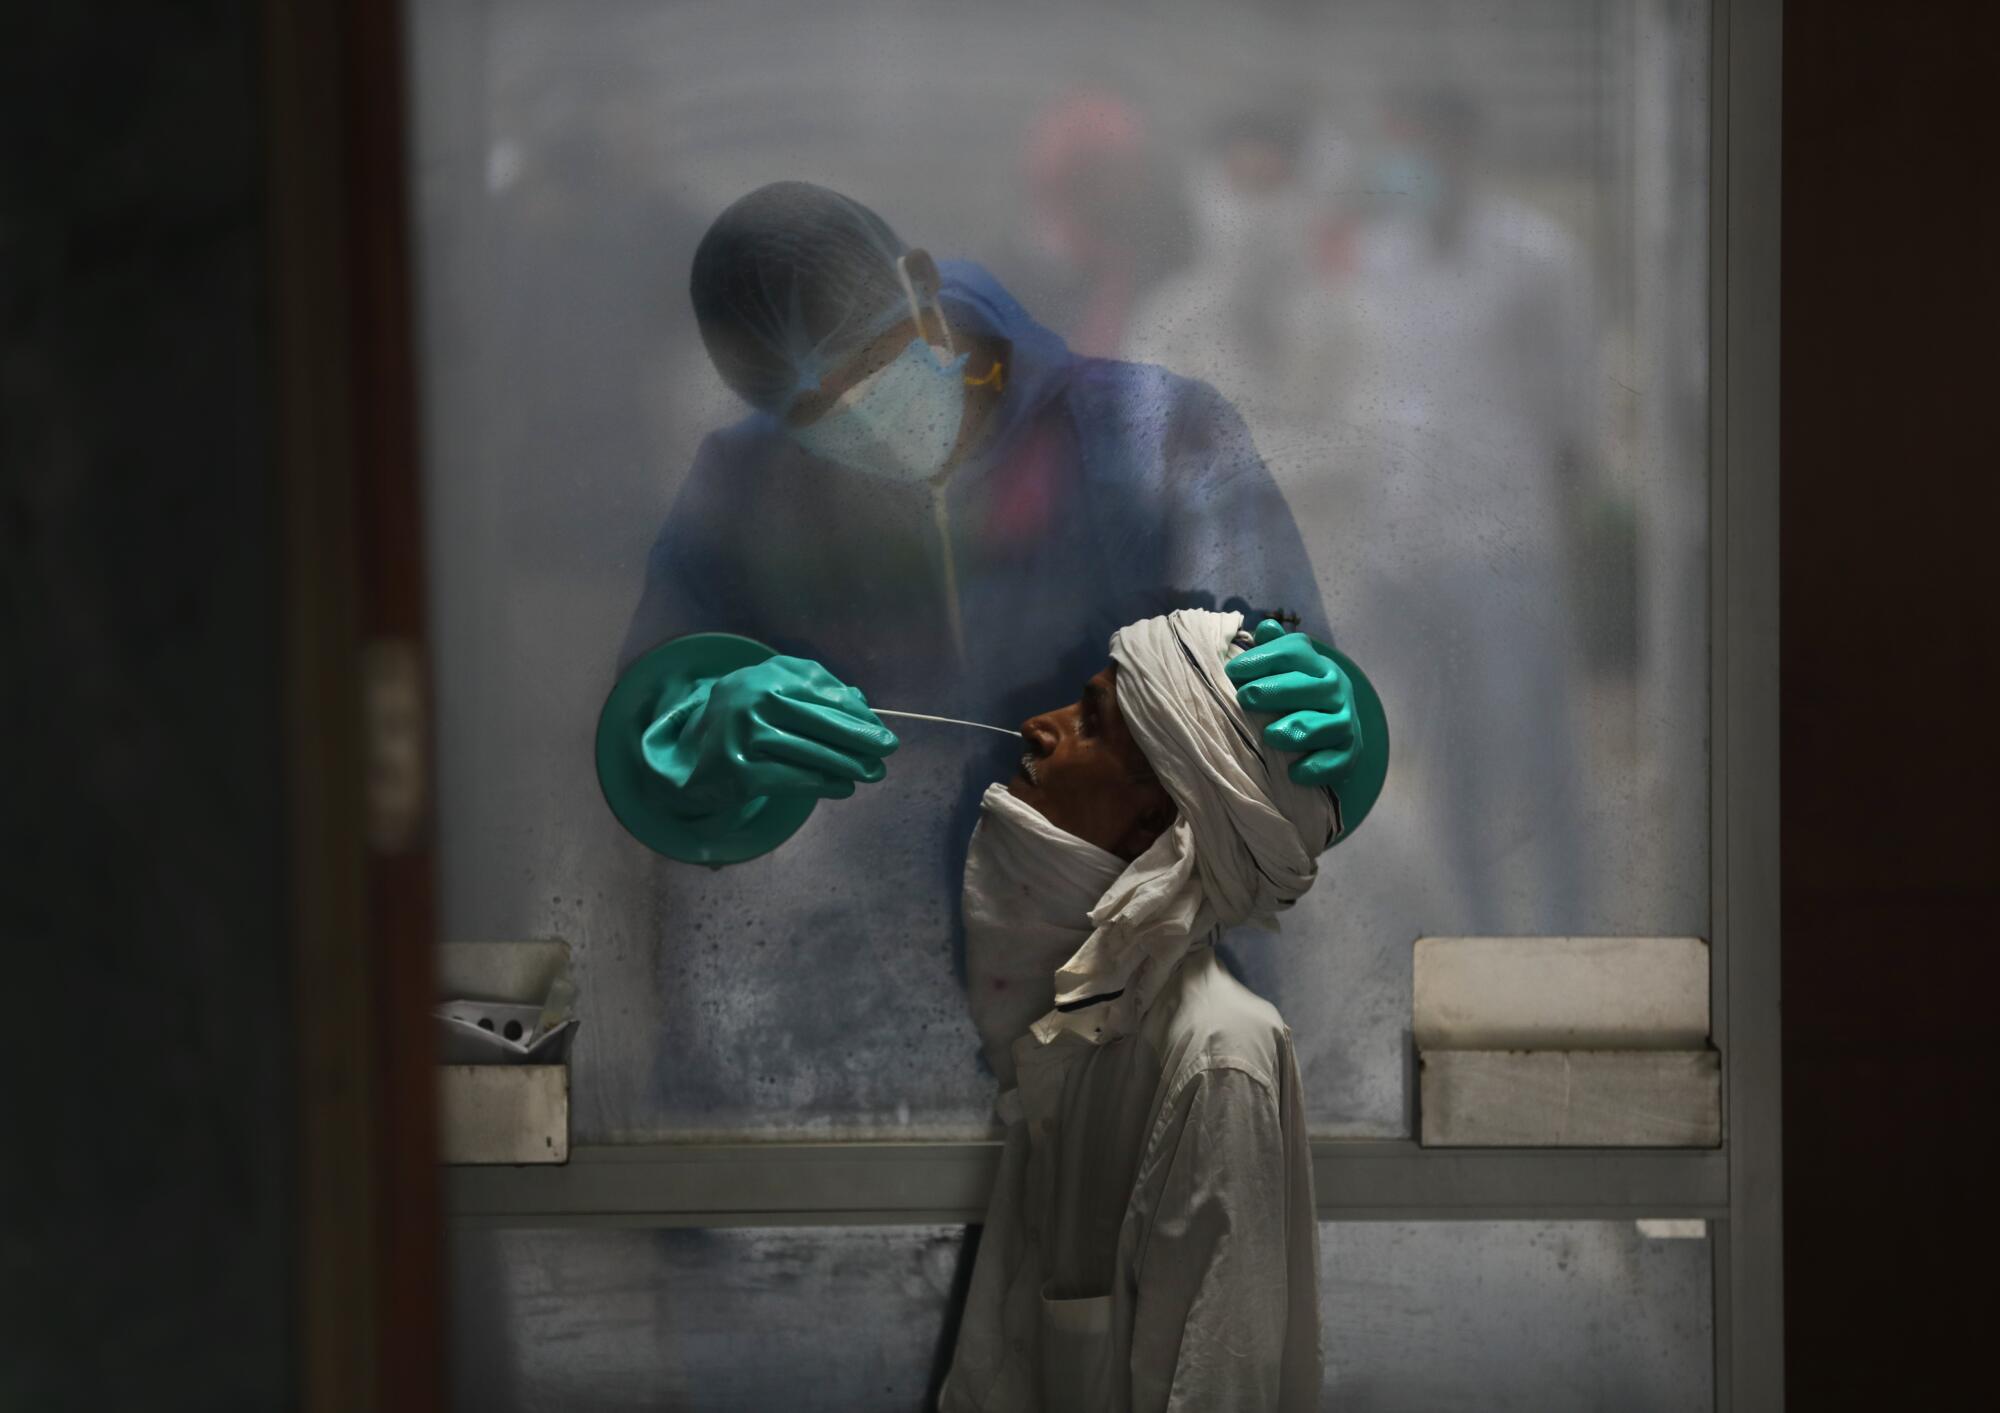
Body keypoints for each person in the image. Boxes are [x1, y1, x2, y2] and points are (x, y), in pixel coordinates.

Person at [607, 182, 1371, 1123]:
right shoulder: (749, 489)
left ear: (923, 288)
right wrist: (701, 730)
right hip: (868, 1034)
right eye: (812, 406)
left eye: (875, 359)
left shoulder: (1148, 436)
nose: (860, 410)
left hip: (1148, 971)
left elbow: (1289, 684)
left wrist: (1326, 726)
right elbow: (649, 726)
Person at [942, 608, 1332, 1413]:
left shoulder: (1216, 1058)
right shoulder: (1081, 1025)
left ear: (1157, 819)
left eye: (1088, 722)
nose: (1035, 727)